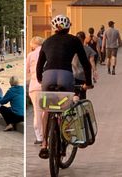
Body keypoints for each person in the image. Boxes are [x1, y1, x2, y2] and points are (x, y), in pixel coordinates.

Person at [36, 15, 93, 159]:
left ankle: (44, 144)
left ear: (53, 28)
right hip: (65, 76)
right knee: (67, 108)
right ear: (69, 27)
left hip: (48, 76)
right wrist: (88, 83)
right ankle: (66, 135)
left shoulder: (47, 41)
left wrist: (39, 79)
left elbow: (39, 65)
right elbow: (85, 63)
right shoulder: (74, 40)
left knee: (47, 110)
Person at [26, 36, 44, 144]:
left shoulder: (31, 55)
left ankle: (39, 137)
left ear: (33, 44)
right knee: (46, 111)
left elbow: (27, 70)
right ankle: (48, 134)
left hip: (35, 86)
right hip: (47, 85)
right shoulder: (47, 53)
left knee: (37, 112)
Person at [73, 31, 97, 99]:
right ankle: (82, 107)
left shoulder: (71, 49)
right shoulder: (88, 49)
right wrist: (95, 71)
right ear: (84, 39)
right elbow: (92, 61)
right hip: (83, 76)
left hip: (72, 75)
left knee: (73, 94)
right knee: (82, 94)